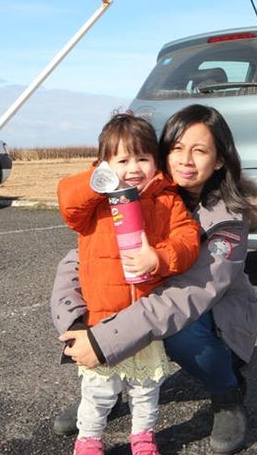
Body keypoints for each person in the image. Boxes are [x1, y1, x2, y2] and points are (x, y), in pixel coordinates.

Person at [52, 104, 257, 454]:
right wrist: (77, 320)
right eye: (176, 148)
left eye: (200, 150)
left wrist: (102, 343)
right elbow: (79, 259)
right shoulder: (143, 193)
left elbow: (186, 296)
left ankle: (227, 392)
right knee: (105, 295)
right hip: (145, 303)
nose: (185, 160)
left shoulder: (229, 219)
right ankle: (111, 390)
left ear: (220, 160)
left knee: (180, 331)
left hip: (209, 313)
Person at [57, 113, 201, 455]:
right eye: (122, 160)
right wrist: (97, 181)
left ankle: (143, 437)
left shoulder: (167, 199)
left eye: (142, 158)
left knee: (146, 388)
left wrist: (160, 259)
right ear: (104, 164)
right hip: (102, 318)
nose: (133, 168)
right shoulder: (95, 202)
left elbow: (188, 238)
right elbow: (68, 203)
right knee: (99, 390)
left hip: (143, 319)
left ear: (156, 161)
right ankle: (89, 438)